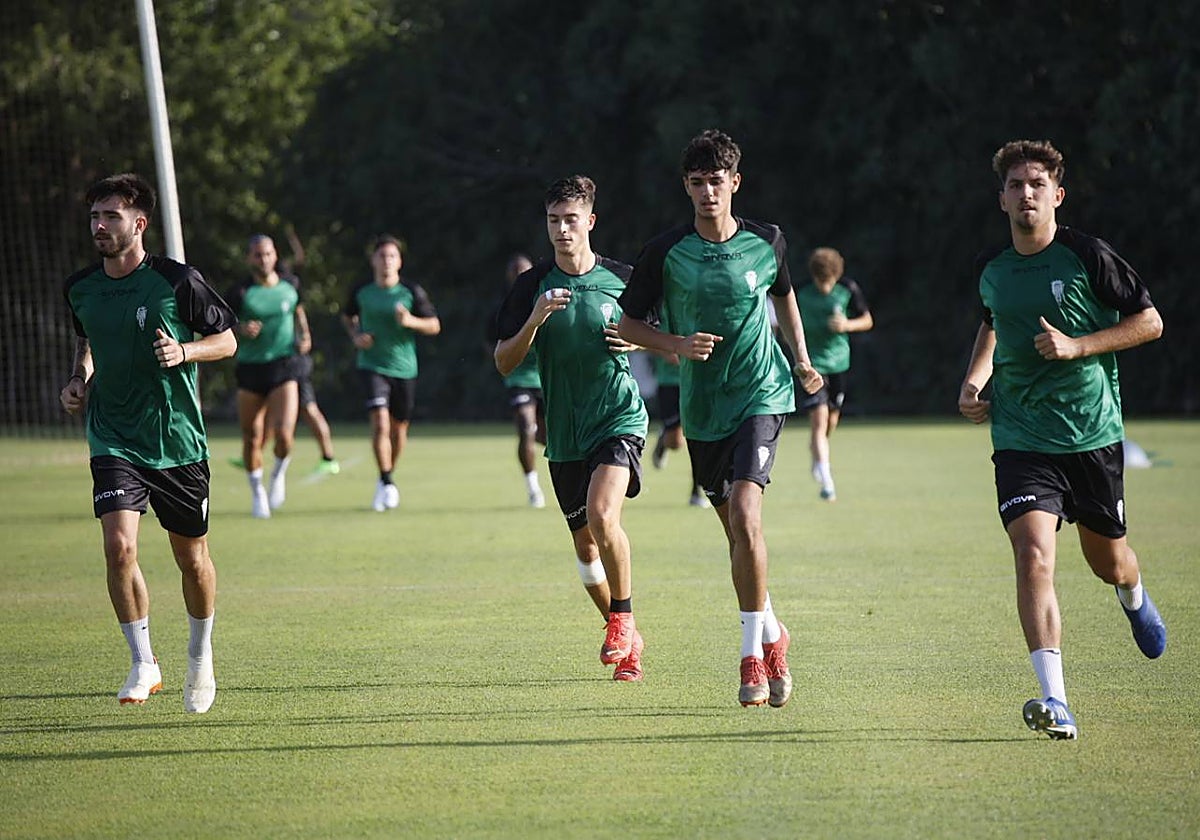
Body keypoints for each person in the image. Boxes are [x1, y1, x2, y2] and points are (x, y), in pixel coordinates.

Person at [958, 139, 1167, 740]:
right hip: (1021, 437)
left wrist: (1079, 346)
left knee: (1108, 563)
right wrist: (975, 381)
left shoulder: (1088, 256)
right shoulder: (991, 268)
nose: (1027, 194)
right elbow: (993, 323)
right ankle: (1056, 700)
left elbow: (1149, 322)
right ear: (1002, 199)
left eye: (1037, 184)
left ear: (1057, 195)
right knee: (1032, 556)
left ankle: (1133, 592)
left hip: (1091, 435)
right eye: (1016, 185)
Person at [618, 129, 823, 708]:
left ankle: (752, 655)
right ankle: (775, 630)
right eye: (697, 182)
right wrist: (674, 346)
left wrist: (801, 359)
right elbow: (628, 327)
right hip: (703, 410)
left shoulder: (767, 241)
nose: (709, 191)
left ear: (736, 182)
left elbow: (785, 296)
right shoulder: (665, 252)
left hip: (762, 393)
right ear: (686, 187)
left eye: (717, 181)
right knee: (737, 533)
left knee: (747, 513)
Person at [60, 173, 237, 713]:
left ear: (138, 224)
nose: (99, 225)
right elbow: (88, 343)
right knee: (119, 548)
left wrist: (184, 352)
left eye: (110, 216)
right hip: (113, 436)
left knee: (192, 557)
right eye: (95, 216)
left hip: (177, 440)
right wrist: (77, 379)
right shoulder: (81, 287)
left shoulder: (176, 281)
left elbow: (227, 340)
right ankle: (143, 662)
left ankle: (200, 657)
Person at [494, 175, 648, 682]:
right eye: (554, 220)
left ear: (590, 222)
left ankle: (622, 617)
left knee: (605, 517)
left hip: (617, 419)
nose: (562, 229)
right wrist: (534, 320)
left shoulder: (624, 278)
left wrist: (639, 343)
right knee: (586, 554)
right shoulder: (529, 287)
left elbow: (660, 330)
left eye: (571, 219)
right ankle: (626, 633)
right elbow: (503, 361)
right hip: (564, 435)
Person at [343, 234, 441, 511]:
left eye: (392, 256)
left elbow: (434, 325)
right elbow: (347, 316)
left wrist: (410, 321)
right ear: (373, 259)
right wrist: (356, 336)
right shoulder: (361, 290)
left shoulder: (411, 291)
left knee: (398, 432)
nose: (386, 261)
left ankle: (385, 477)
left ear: (399, 261)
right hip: (372, 366)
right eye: (382, 256)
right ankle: (387, 480)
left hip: (404, 368)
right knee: (380, 423)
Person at [226, 235, 309, 518]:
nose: (264, 259)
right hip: (250, 368)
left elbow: (298, 310)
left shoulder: (290, 284)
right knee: (252, 437)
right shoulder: (239, 292)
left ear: (275, 255)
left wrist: (305, 335)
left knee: (284, 435)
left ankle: (277, 475)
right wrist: (240, 329)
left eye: (268, 254)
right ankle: (257, 491)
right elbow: (221, 326)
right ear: (249, 258)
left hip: (284, 366)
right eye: (258, 255)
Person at [795, 246, 873, 501]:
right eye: (821, 282)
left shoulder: (848, 289)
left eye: (829, 282)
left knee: (830, 423)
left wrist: (847, 325)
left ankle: (817, 453)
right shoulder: (801, 292)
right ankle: (827, 481)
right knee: (818, 421)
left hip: (839, 363)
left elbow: (867, 320)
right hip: (812, 366)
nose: (825, 288)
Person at [489, 252, 547, 508]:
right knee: (525, 426)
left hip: (547, 378)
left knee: (550, 438)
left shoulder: (546, 300)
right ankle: (532, 486)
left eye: (523, 272)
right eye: (514, 273)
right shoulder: (503, 309)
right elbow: (492, 345)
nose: (519, 277)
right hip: (519, 378)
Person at [647, 308, 710, 508]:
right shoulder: (659, 305)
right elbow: (639, 336)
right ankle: (664, 440)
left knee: (699, 437)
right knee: (676, 442)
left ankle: (698, 489)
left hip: (699, 381)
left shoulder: (702, 301)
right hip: (669, 380)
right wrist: (666, 351)